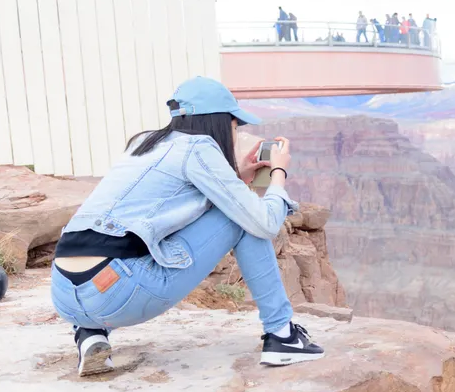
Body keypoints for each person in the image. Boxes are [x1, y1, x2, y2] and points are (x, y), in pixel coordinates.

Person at [51, 77, 325, 376]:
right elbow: (265, 223)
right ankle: (282, 336)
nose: (235, 133)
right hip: (118, 294)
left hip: (64, 294)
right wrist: (278, 174)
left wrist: (236, 176)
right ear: (222, 122)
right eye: (236, 126)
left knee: (116, 244)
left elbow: (174, 199)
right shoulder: (199, 147)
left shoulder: (142, 143)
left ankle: (90, 334)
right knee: (242, 219)